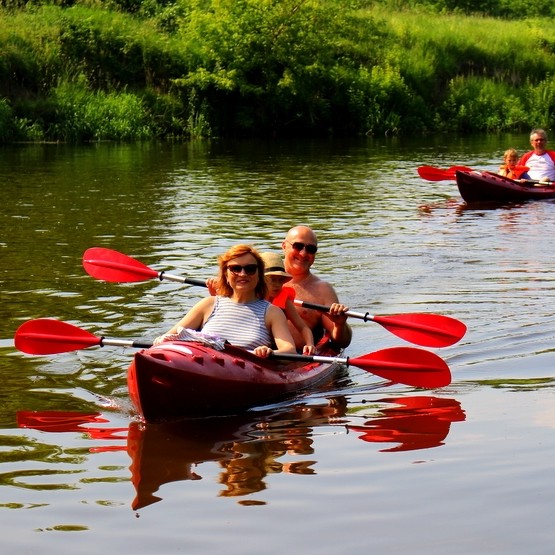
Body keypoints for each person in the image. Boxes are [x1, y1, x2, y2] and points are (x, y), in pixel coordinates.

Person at [153, 244, 296, 358]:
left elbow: (289, 351)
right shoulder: (208, 304)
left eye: (250, 269)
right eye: (235, 268)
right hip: (204, 362)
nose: (242, 274)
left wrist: (269, 352)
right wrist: (160, 342)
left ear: (259, 275)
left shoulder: (272, 312)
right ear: (226, 275)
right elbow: (169, 337)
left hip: (246, 370)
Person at [282, 225, 352, 349]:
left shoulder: (323, 290)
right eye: (298, 246)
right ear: (284, 246)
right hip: (259, 352)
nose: (303, 253)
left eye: (311, 249)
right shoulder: (259, 278)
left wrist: (340, 325)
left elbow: (342, 342)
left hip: (300, 355)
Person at [260, 251, 315, 355]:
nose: (277, 285)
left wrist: (310, 344)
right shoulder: (250, 298)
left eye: (280, 280)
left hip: (277, 350)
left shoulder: (284, 301)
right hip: (256, 348)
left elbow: (303, 327)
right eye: (272, 280)